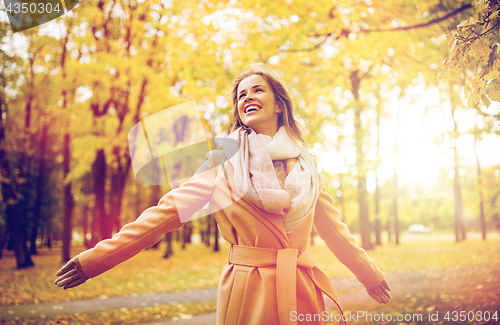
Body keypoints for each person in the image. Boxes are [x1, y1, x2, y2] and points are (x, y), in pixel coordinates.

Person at [55, 63, 391, 325]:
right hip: (248, 290)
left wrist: (369, 275)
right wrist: (95, 260)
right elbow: (165, 215)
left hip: (301, 288)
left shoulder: (307, 167)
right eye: (241, 95)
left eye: (258, 90)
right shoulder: (223, 164)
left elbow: (336, 232)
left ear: (279, 104)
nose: (248, 97)